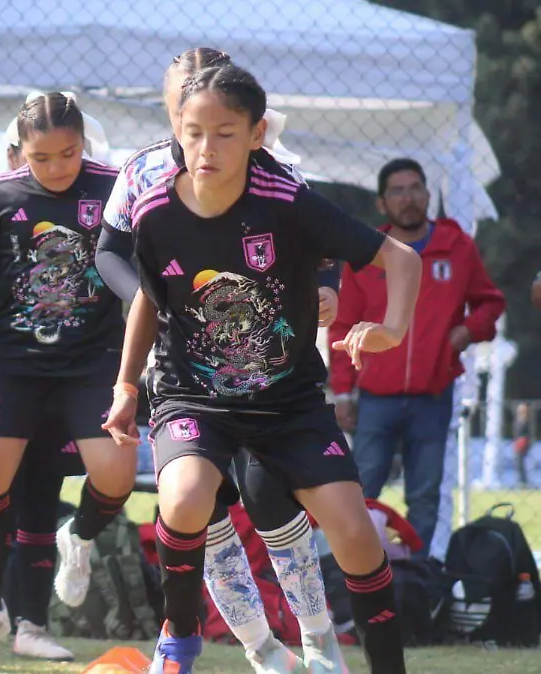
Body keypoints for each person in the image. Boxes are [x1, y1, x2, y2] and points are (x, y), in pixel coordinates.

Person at [104, 63, 418, 674]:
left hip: (288, 399)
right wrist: (123, 386)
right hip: (192, 394)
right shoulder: (153, 206)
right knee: (187, 499)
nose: (205, 148)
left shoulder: (289, 200)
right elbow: (147, 297)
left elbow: (399, 258)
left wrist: (392, 328)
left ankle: (365, 658)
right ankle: (180, 636)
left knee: (354, 533)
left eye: (224, 133)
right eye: (193, 132)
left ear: (256, 134)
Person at [0, 92, 133, 666]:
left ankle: (75, 537)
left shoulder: (114, 189)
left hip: (92, 359)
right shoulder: (0, 196)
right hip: (16, 360)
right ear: (20, 152)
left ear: (85, 145)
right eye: (41, 157)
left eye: (68, 153)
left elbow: (141, 260)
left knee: (117, 474)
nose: (55, 167)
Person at [330, 157, 504, 559]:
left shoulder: (458, 248)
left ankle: (419, 584)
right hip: (374, 396)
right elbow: (342, 325)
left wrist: (465, 332)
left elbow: (490, 303)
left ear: (429, 194)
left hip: (433, 394)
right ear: (381, 203)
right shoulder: (366, 251)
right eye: (397, 190)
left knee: (425, 496)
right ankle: (354, 578)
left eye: (415, 188)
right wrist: (342, 392)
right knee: (360, 491)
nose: (408, 198)